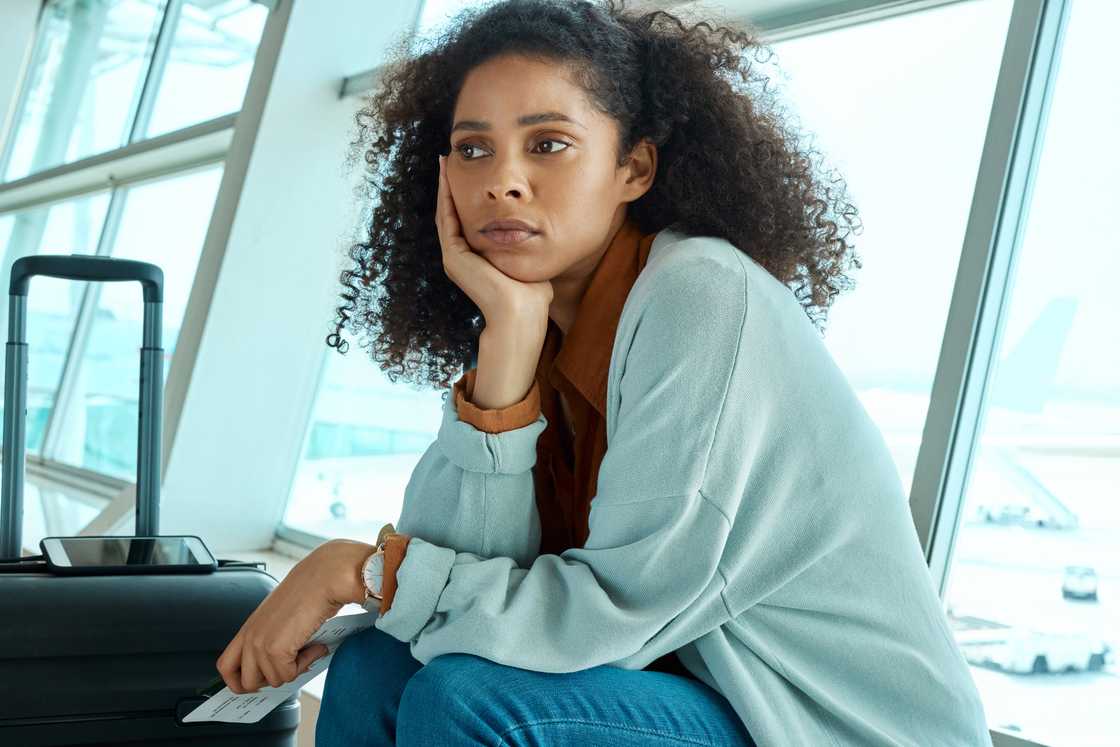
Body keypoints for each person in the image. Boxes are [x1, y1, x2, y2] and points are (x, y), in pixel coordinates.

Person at [215, 1, 993, 745]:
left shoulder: (702, 294)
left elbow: (611, 614)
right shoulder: (536, 322)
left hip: (821, 727)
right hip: (696, 691)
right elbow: (472, 586)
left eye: (547, 143)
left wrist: (361, 569)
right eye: (474, 148)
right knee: (375, 666)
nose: (502, 181)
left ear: (635, 167)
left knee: (472, 705)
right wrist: (508, 357)